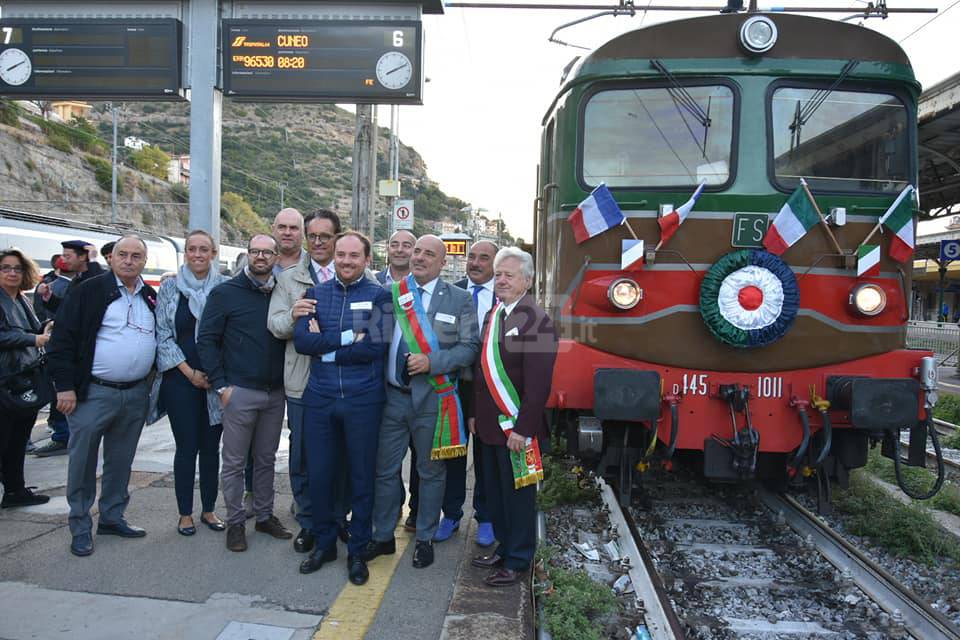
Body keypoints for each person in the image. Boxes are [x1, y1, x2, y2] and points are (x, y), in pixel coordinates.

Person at [365, 235, 479, 570]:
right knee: (384, 471)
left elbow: (469, 347)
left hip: (433, 400)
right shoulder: (390, 294)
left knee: (431, 472)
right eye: (417, 251)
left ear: (443, 263)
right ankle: (383, 534)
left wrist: (434, 362)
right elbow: (373, 340)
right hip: (392, 399)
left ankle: (425, 537)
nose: (420, 257)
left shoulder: (459, 299)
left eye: (429, 254)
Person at [46, 235, 157, 557]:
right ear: (111, 258)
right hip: (93, 393)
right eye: (123, 254)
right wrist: (64, 387)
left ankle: (112, 516)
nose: (129, 260)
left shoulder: (149, 296)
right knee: (82, 462)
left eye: (136, 256)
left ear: (144, 261)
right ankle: (80, 525)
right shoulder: (89, 292)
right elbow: (62, 341)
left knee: (120, 462)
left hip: (134, 394)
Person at [295, 231, 392, 585]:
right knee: (319, 475)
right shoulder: (314, 295)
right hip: (320, 398)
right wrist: (349, 338)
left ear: (367, 260)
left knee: (361, 478)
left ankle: (357, 550)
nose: (347, 261)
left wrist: (326, 347)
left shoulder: (381, 298)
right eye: (341, 255)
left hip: (363, 399)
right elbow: (304, 342)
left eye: (354, 255)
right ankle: (324, 544)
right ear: (333, 257)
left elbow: (375, 349)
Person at [197, 234, 290, 552]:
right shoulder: (225, 293)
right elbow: (206, 339)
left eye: (267, 252)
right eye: (255, 251)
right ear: (247, 255)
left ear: (277, 257)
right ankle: (236, 522)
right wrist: (221, 385)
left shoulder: (282, 292)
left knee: (266, 459)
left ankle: (264, 516)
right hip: (239, 392)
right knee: (235, 462)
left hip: (275, 394)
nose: (261, 256)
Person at [470, 247, 557, 587]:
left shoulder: (537, 321)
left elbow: (539, 386)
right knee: (495, 493)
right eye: (499, 274)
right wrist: (476, 414)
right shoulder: (497, 314)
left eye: (509, 275)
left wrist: (524, 429)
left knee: (518, 498)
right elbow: (481, 372)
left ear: (528, 280)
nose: (501, 280)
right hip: (490, 428)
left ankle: (519, 560)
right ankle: (505, 548)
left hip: (516, 431)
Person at [267, 209, 343, 555]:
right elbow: (275, 325)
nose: (318, 242)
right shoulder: (288, 279)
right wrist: (294, 314)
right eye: (312, 236)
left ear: (336, 239)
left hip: (343, 382)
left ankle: (338, 517)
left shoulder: (356, 273)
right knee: (303, 455)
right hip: (302, 381)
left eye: (325, 236)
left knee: (342, 452)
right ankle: (309, 521)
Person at [153, 230, 228, 536]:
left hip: (215, 380)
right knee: (186, 448)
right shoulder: (170, 288)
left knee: (211, 449)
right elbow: (163, 335)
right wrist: (188, 372)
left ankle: (209, 509)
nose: (197, 254)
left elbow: (231, 333)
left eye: (204, 249)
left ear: (214, 253)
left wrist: (215, 373)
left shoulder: (225, 288)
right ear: (185, 253)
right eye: (192, 249)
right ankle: (185, 513)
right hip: (180, 381)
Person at [432, 240, 499, 546]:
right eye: (472, 256)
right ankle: (451, 514)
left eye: (484, 258)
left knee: (486, 457)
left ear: (495, 264)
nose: (475, 262)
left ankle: (485, 517)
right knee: (453, 455)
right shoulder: (450, 292)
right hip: (453, 387)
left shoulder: (505, 296)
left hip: (489, 391)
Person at [0, 248, 52, 508]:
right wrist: (35, 338)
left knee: (19, 439)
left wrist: (45, 327)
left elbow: (30, 329)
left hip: (23, 378)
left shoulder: (21, 298)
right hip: (5, 380)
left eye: (17, 268)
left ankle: (15, 490)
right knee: (4, 439)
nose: (12, 273)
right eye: (6, 268)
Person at [374, 230, 418, 530]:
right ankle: (387, 517)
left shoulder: (426, 287)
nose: (400, 250)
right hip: (381, 389)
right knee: (384, 462)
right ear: (386, 249)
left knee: (425, 464)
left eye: (408, 245)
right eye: (395, 244)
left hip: (424, 390)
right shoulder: (372, 283)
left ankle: (418, 513)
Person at [31, 254, 74, 457]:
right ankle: (61, 433)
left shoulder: (49, 285)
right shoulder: (57, 287)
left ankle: (61, 434)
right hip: (54, 347)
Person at [36, 240, 104, 315]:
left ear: (82, 257)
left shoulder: (100, 277)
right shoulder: (76, 280)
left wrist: (93, 261)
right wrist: (49, 297)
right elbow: (69, 310)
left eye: (67, 256)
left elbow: (97, 288)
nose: (64, 261)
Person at [273, 208, 306, 273]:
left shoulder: (314, 264)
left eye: (293, 228)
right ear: (273, 230)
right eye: (282, 227)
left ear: (303, 232)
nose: (287, 233)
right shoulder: (259, 263)